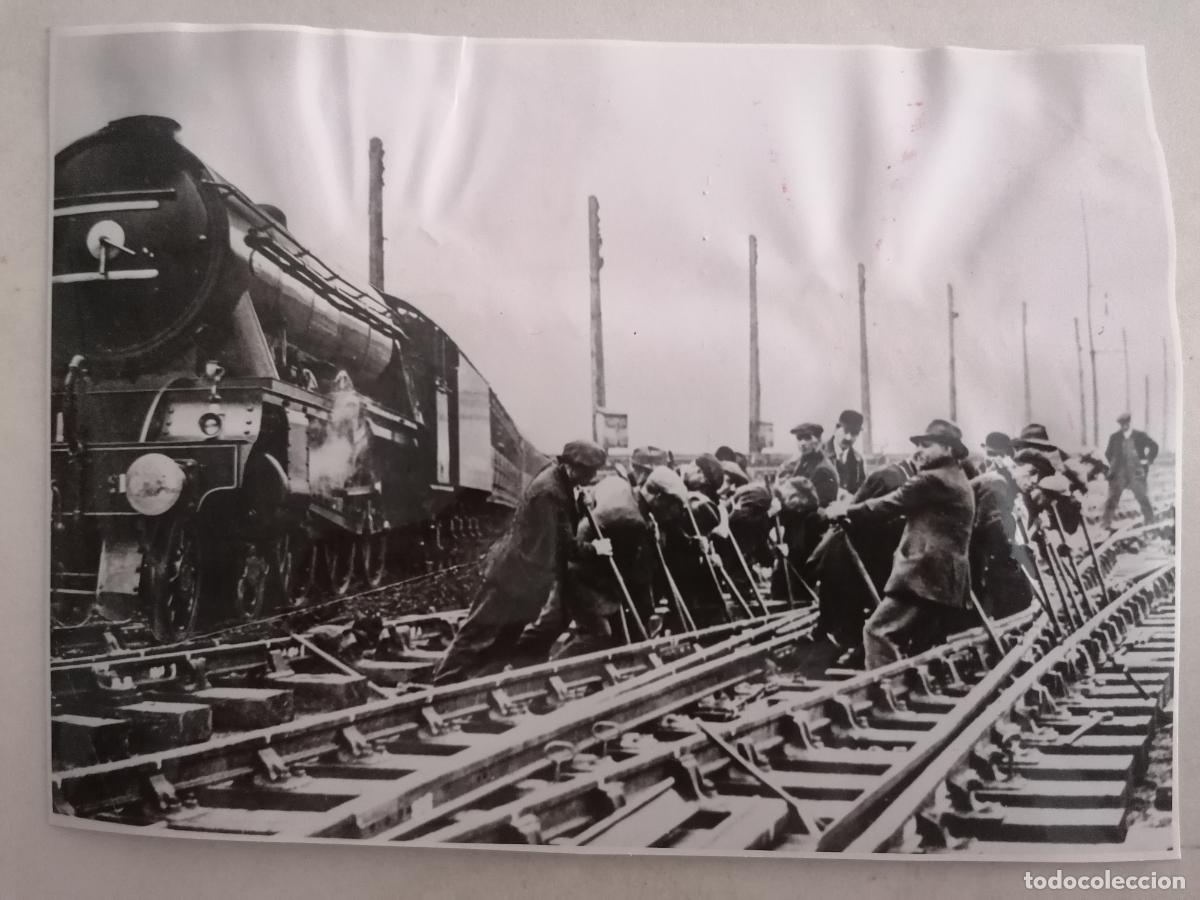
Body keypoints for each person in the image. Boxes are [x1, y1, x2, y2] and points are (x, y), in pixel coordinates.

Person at [432, 439, 610, 684]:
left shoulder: (560, 483)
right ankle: (441, 689)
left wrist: (579, 504)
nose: (591, 478)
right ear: (572, 467)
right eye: (588, 473)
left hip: (527, 581)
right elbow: (563, 545)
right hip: (511, 577)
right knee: (475, 634)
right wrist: (595, 549)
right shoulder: (549, 492)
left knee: (504, 642)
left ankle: (478, 698)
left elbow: (561, 526)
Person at [827, 419, 975, 669]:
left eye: (927, 445)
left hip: (922, 575)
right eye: (918, 444)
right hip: (947, 580)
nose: (919, 450)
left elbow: (888, 504)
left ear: (948, 449)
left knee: (877, 632)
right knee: (918, 643)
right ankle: (909, 690)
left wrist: (844, 511)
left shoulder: (932, 479)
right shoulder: (957, 477)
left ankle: (884, 696)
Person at [515, 474, 656, 661]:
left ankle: (533, 663)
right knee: (582, 630)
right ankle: (535, 667)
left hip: (586, 573)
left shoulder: (630, 506)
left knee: (565, 625)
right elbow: (575, 546)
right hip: (576, 572)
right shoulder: (623, 514)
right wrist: (594, 551)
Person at [970, 432, 1033, 619]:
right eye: (1031, 474)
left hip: (986, 548)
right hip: (973, 551)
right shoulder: (997, 482)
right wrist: (1015, 551)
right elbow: (991, 526)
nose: (1033, 481)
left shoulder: (1005, 480)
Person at [1102, 413, 1158, 529]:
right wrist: (1115, 466)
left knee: (1142, 497)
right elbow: (1108, 453)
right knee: (1112, 499)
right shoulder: (1114, 437)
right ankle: (1106, 524)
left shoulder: (1140, 435)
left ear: (1130, 423)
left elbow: (1154, 446)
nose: (1124, 426)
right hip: (1119, 475)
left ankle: (1150, 521)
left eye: (1126, 423)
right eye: (1122, 424)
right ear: (1120, 425)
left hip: (1136, 474)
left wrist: (1147, 461)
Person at [824, 409, 867, 496]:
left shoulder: (858, 460)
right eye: (846, 431)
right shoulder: (818, 454)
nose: (849, 437)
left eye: (855, 433)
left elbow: (862, 492)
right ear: (836, 428)